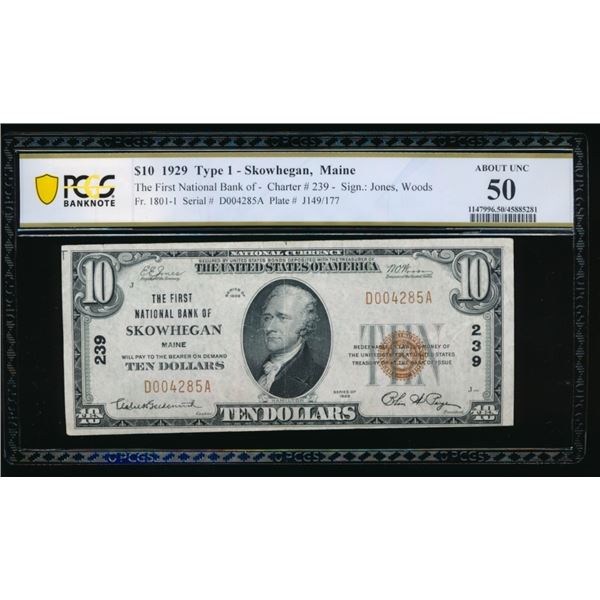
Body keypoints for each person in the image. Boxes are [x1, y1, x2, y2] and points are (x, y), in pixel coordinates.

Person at [252, 283, 325, 398]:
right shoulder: (260, 371)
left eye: (282, 318)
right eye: (267, 318)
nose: (269, 327)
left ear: (304, 324)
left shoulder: (316, 377)